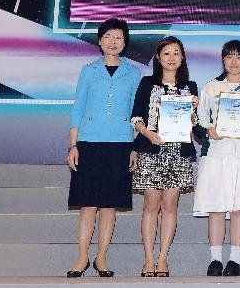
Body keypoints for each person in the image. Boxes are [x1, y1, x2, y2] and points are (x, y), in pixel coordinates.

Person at [66, 18, 141, 278]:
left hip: (120, 143)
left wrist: (134, 147)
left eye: (118, 37)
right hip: (88, 142)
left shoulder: (133, 73)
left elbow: (136, 114)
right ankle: (82, 257)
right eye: (108, 36)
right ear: (99, 41)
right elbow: (77, 108)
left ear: (125, 42)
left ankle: (101, 258)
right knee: (88, 204)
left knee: (109, 205)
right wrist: (73, 144)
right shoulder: (88, 70)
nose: (113, 41)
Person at [193, 40, 240, 277]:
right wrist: (208, 131)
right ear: (223, 59)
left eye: (239, 57)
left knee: (239, 209)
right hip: (217, 155)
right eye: (229, 56)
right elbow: (199, 122)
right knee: (216, 208)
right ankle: (215, 259)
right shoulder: (211, 87)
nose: (234, 61)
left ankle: (235, 260)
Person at [131, 36, 198, 277]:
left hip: (178, 153)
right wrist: (148, 134)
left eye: (176, 53)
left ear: (182, 58)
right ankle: (148, 259)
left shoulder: (191, 88)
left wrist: (193, 110)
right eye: (167, 53)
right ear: (158, 57)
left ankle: (163, 259)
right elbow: (136, 117)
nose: (172, 58)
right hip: (151, 150)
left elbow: (194, 127)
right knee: (150, 205)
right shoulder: (147, 83)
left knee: (170, 206)